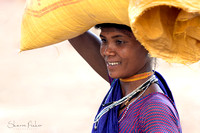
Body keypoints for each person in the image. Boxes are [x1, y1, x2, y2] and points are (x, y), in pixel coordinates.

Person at [69, 23, 182, 133]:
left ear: (149, 45)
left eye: (119, 42)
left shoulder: (155, 112)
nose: (106, 51)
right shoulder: (122, 85)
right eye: (104, 40)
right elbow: (68, 27)